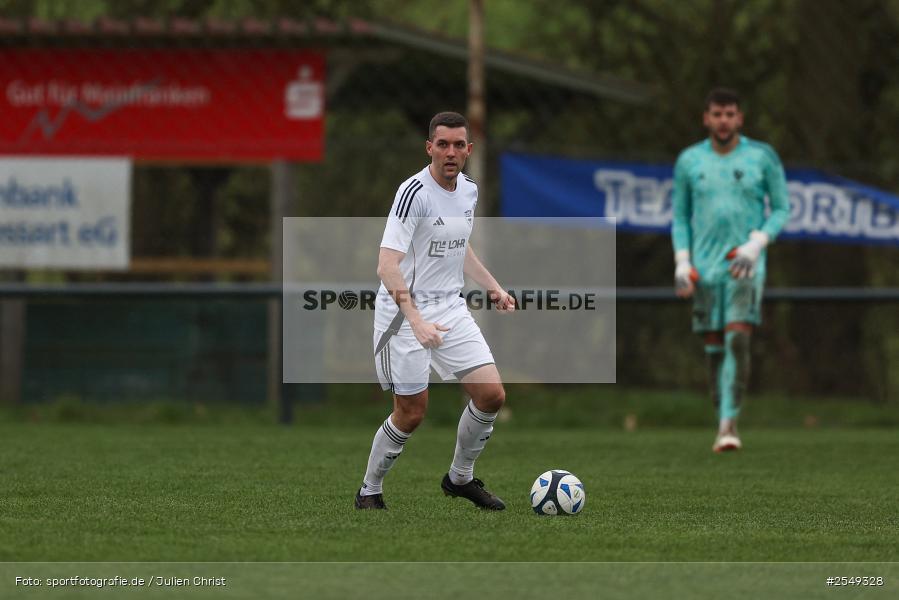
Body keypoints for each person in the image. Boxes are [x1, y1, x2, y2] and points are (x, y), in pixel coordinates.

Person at [355, 111, 516, 510]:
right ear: (429, 147)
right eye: (442, 144)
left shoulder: (469, 191)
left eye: (458, 145)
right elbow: (386, 265)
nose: (450, 152)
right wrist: (416, 321)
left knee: (491, 395)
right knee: (411, 413)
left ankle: (459, 479)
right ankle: (369, 490)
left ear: (469, 150)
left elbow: (460, 248)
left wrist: (493, 287)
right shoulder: (414, 193)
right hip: (403, 316)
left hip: (450, 307)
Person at [671, 88, 790, 453]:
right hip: (704, 270)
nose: (724, 120)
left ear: (740, 118)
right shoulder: (690, 160)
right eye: (717, 114)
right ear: (706, 118)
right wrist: (682, 261)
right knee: (713, 349)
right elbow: (679, 216)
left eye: (730, 114)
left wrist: (757, 243)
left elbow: (781, 209)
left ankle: (728, 424)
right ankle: (721, 414)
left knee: (738, 337)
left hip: (744, 264)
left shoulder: (762, 157)